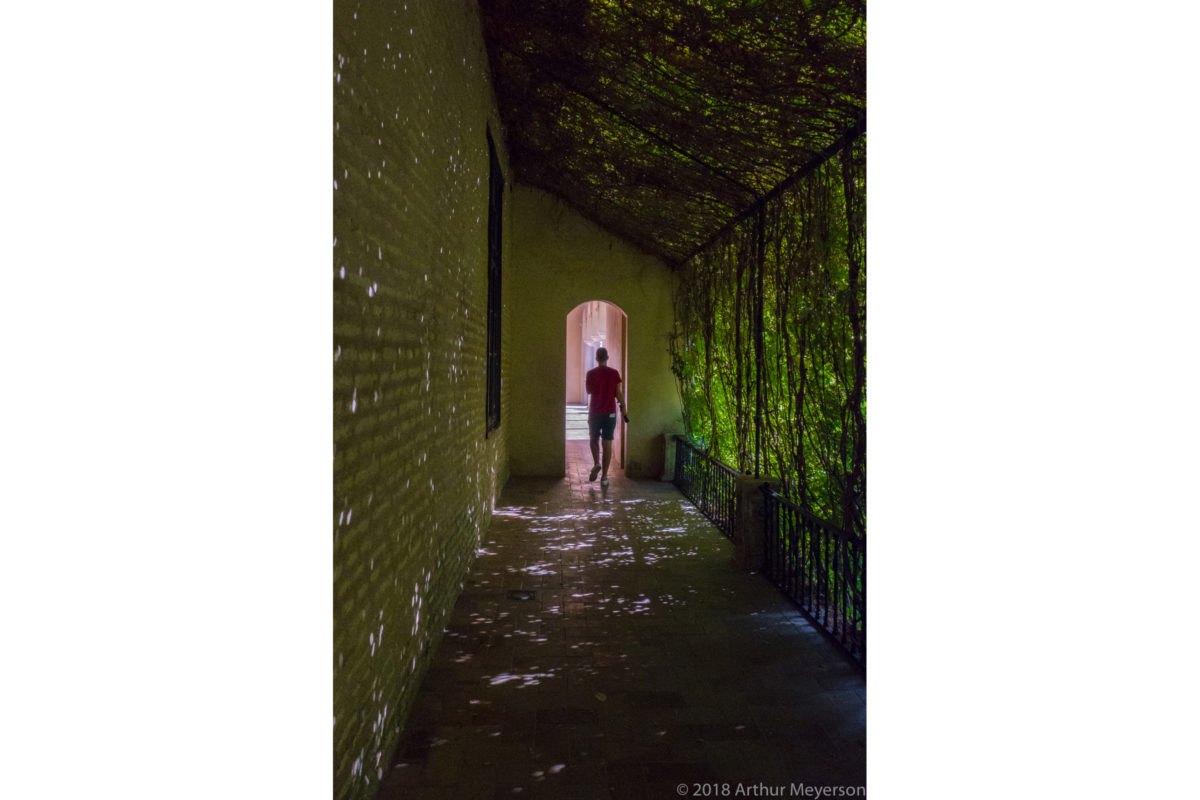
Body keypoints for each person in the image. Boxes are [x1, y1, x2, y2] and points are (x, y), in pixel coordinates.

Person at [585, 346, 627, 487]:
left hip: (595, 412)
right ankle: (604, 477)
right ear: (607, 358)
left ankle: (597, 462)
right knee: (607, 443)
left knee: (593, 439)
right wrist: (624, 408)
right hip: (610, 413)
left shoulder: (590, 374)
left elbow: (589, 391)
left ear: (596, 358)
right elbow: (618, 394)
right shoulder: (614, 373)